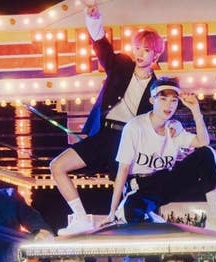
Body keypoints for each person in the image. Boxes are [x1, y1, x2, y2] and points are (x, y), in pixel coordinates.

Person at [50, 1, 164, 236]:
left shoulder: (157, 87)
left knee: (131, 195)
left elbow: (160, 119)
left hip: (128, 141)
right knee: (57, 166)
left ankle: (146, 223)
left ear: (156, 53)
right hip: (104, 135)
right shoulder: (121, 65)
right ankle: (80, 218)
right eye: (137, 48)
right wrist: (93, 19)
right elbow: (101, 47)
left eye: (145, 50)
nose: (139, 54)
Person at [108, 77, 216, 226]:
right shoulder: (135, 127)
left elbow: (203, 142)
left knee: (206, 153)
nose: (168, 105)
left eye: (174, 100)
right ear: (152, 100)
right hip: (141, 186)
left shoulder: (175, 127)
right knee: (130, 212)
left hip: (166, 181)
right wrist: (111, 212)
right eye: (163, 99)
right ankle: (146, 216)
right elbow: (123, 169)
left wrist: (196, 110)